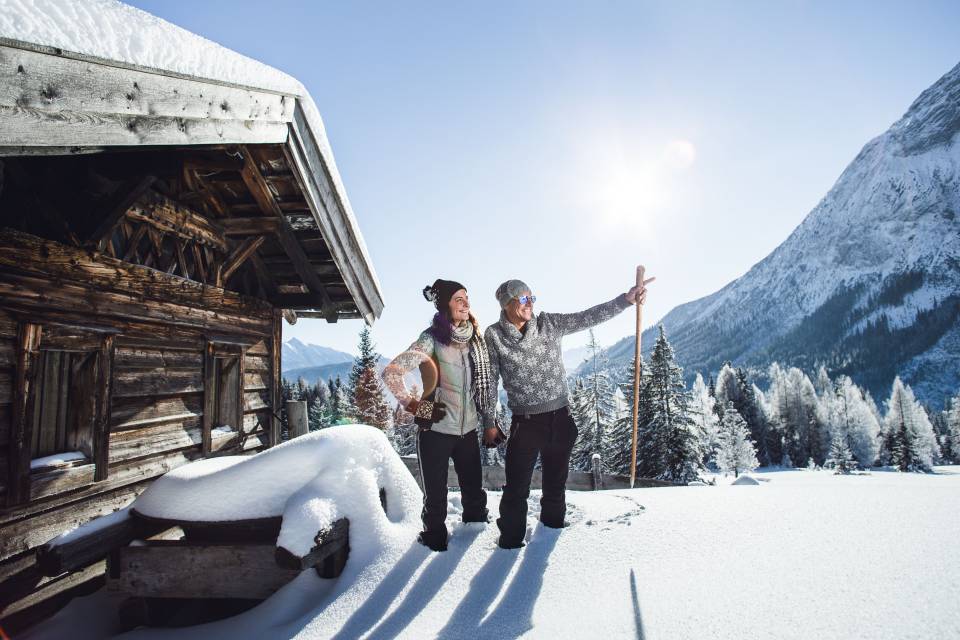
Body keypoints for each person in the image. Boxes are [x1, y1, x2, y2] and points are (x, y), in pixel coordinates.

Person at [484, 274, 652, 549]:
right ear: (507, 304)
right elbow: (489, 379)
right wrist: (489, 421)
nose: (530, 303)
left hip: (561, 420)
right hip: (525, 425)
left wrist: (625, 300)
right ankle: (510, 544)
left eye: (531, 297)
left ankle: (551, 538)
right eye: (524, 298)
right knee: (516, 490)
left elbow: (588, 317)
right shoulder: (494, 335)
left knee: (555, 488)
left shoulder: (550, 323)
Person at [382, 279, 502, 551]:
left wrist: (488, 422)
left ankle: (476, 539)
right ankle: (434, 542)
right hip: (435, 432)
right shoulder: (431, 339)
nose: (466, 303)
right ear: (445, 304)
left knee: (474, 495)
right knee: (435, 499)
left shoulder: (476, 340)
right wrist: (415, 406)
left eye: (467, 298)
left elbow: (485, 386)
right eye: (458, 298)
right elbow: (392, 373)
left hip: (468, 431)